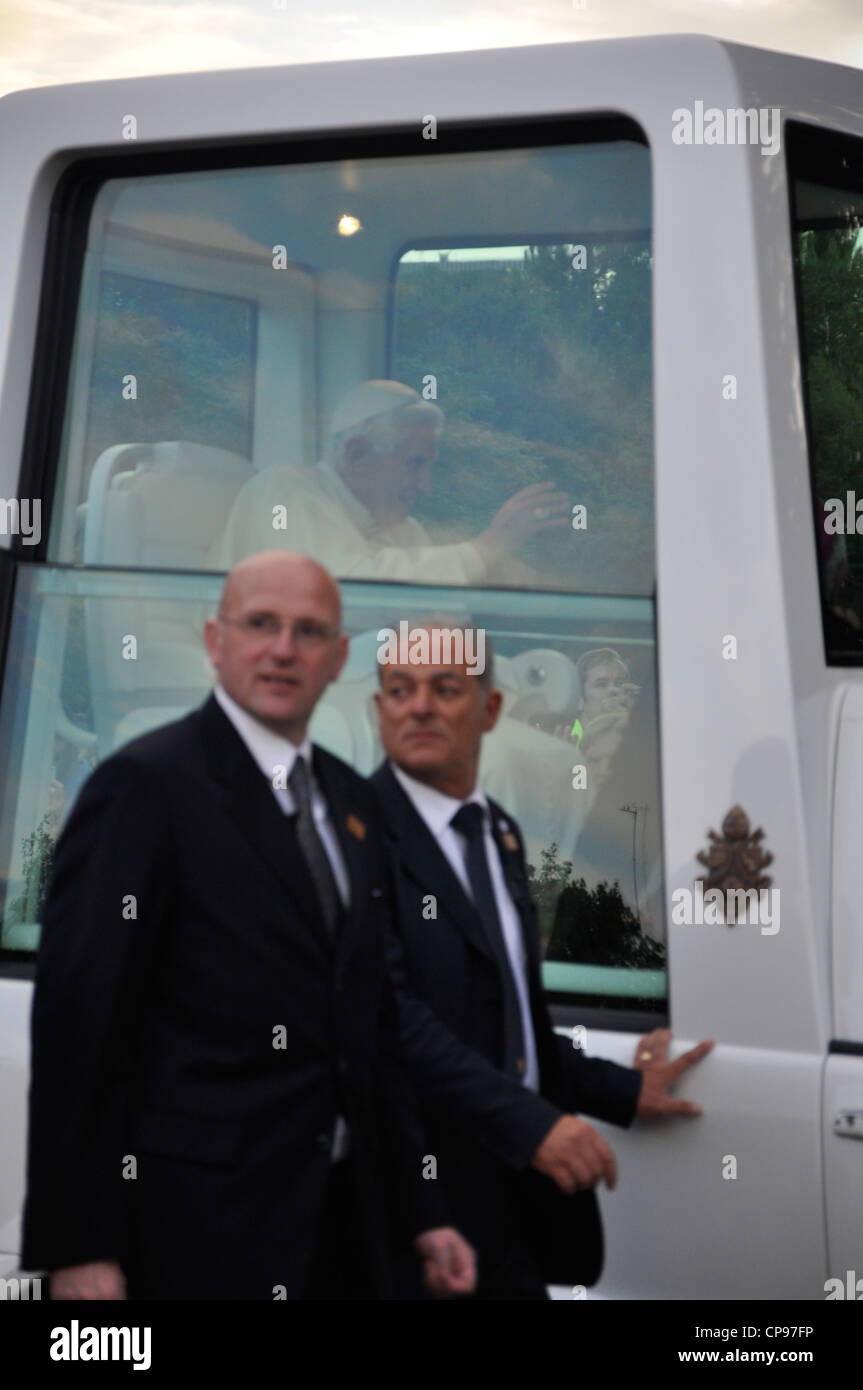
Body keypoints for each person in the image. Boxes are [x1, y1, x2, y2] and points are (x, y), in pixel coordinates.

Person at [21, 553, 475, 1301]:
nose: (282, 649)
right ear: (215, 640)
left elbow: (372, 1025)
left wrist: (421, 1211)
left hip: (342, 1235)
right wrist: (81, 1246)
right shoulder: (143, 788)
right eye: (260, 624)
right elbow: (81, 1030)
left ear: (337, 659)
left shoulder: (348, 798)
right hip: (194, 1236)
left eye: (308, 631)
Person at [370, 618, 714, 1298]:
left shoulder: (496, 832)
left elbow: (505, 1018)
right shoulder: (350, 837)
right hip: (417, 1216)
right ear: (378, 708)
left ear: (491, 708)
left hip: (510, 1211)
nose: (419, 706)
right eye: (399, 688)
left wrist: (619, 1089)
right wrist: (533, 1124)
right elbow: (389, 1021)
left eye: (445, 687)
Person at [215, 379, 569, 584]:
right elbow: (352, 593)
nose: (425, 485)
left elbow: (441, 610)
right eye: (415, 464)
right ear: (356, 455)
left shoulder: (404, 529)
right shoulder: (285, 490)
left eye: (428, 466)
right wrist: (486, 547)